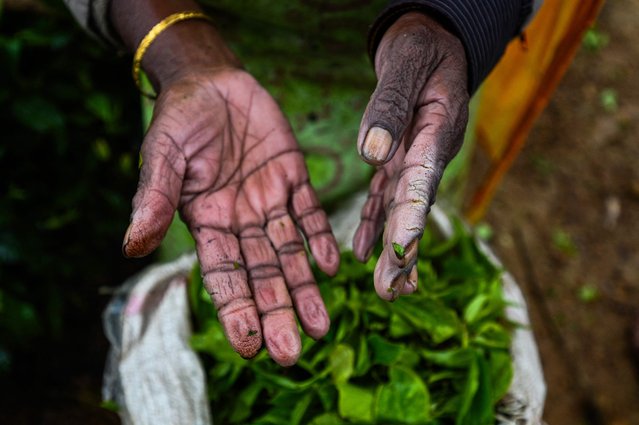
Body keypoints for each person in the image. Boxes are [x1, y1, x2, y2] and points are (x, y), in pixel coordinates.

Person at [65, 0, 541, 366]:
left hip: (416, 93)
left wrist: (456, 20)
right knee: (213, 294)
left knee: (411, 235)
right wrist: (181, 55)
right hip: (209, 105)